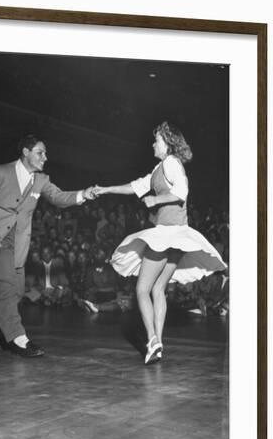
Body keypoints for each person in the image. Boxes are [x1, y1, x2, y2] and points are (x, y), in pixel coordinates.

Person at [93, 122, 227, 364]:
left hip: (168, 234)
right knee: (157, 289)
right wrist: (105, 189)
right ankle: (158, 344)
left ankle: (153, 340)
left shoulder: (170, 163)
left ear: (167, 143)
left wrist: (155, 201)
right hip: (176, 238)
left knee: (142, 289)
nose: (153, 144)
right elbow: (134, 187)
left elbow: (181, 192)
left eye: (156, 140)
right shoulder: (159, 168)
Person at [0, 134, 96, 357]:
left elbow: (59, 197)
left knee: (17, 292)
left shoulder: (41, 180)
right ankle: (18, 339)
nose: (45, 157)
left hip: (18, 245)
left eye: (45, 153)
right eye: (40, 152)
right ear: (26, 152)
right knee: (6, 288)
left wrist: (83, 194)